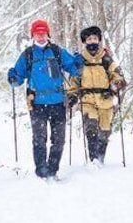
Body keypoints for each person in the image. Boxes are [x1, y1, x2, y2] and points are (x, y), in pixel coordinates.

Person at [7, 19, 82, 179]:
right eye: (36, 34)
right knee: (39, 139)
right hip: (37, 103)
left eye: (42, 33)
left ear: (47, 34)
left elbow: (73, 69)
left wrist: (78, 63)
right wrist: (13, 77)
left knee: (59, 140)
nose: (40, 37)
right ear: (32, 36)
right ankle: (41, 171)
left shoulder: (56, 51)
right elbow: (18, 78)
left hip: (58, 102)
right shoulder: (27, 55)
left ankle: (52, 170)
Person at [72, 26, 126, 166]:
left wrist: (117, 83)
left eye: (95, 38)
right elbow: (73, 80)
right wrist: (71, 95)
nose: (92, 41)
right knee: (91, 128)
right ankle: (93, 159)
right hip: (87, 99)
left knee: (104, 131)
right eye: (89, 39)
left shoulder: (106, 59)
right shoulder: (80, 61)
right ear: (85, 41)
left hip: (105, 99)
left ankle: (101, 158)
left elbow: (116, 74)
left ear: (99, 40)